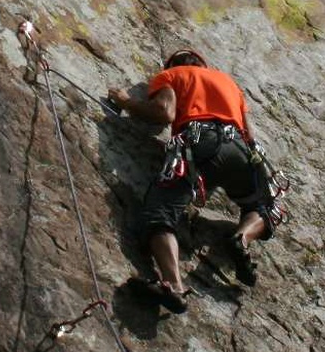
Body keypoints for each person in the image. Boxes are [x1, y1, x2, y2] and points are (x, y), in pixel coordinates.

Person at [107, 49, 279, 313]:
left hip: (200, 144)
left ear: (172, 64)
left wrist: (126, 101)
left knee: (160, 212)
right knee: (265, 207)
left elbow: (164, 112)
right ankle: (242, 237)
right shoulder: (228, 83)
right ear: (202, 64)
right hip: (239, 148)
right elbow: (250, 134)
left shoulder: (171, 75)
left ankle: (174, 285)